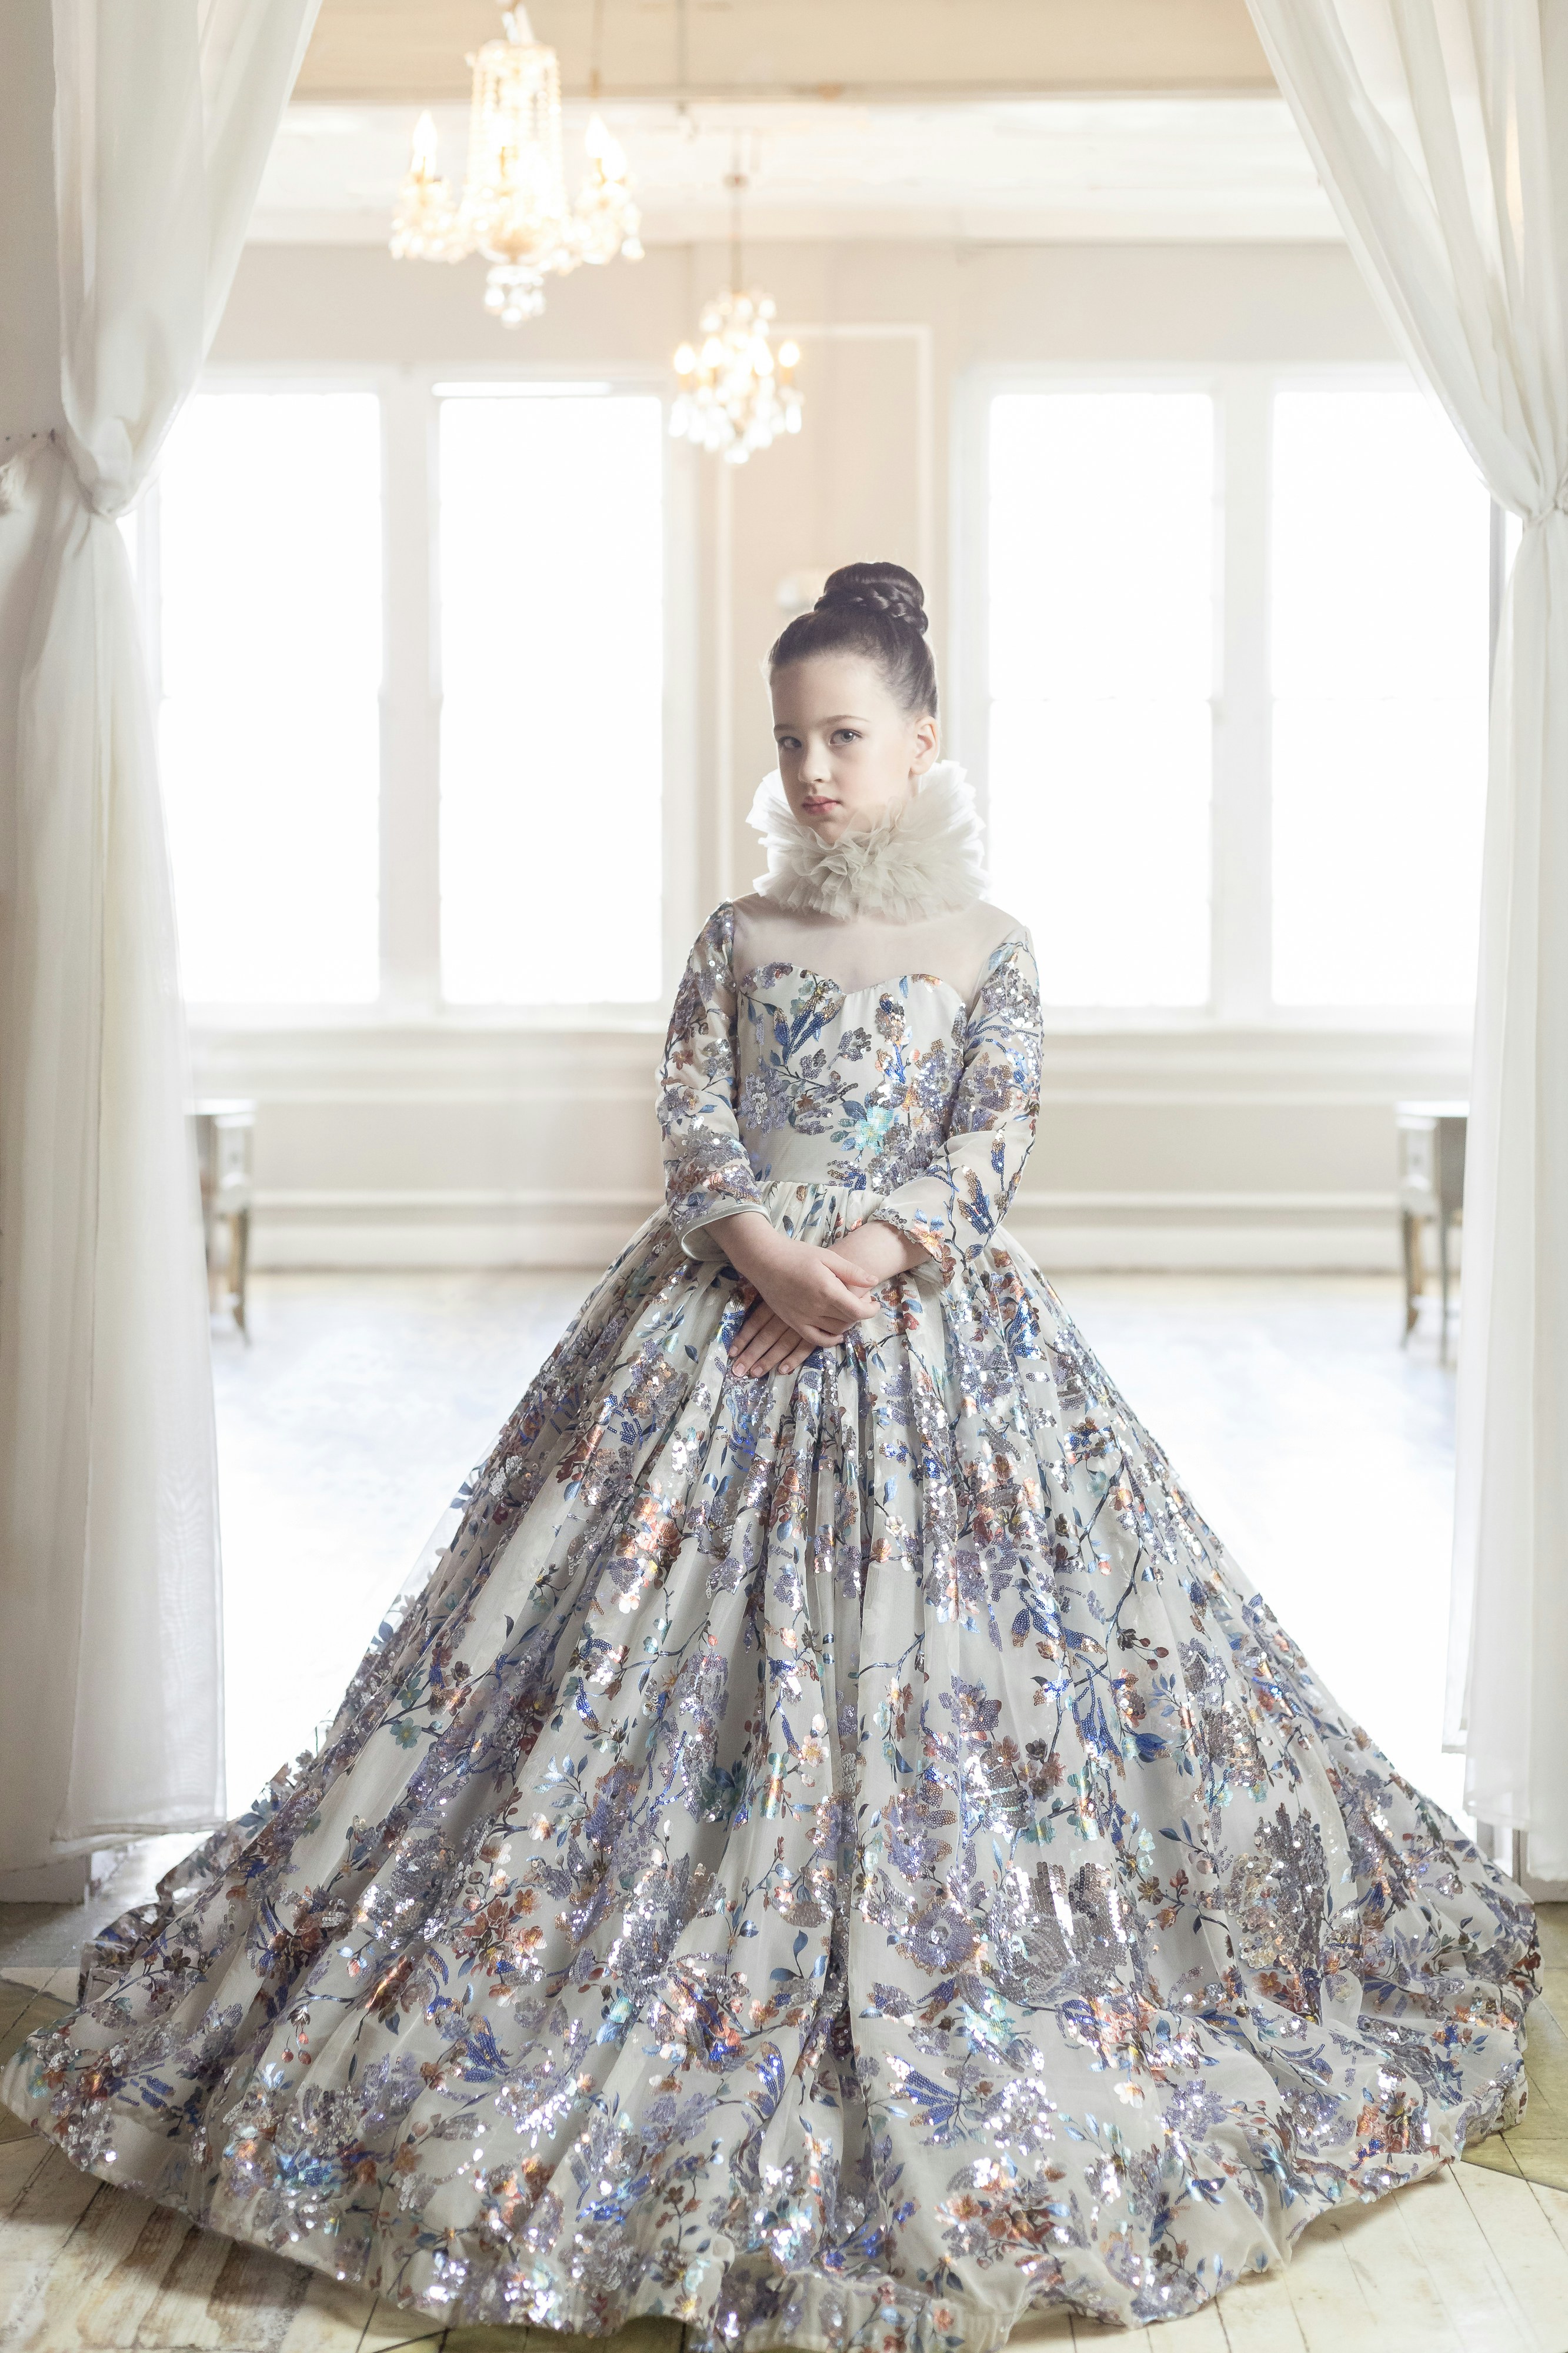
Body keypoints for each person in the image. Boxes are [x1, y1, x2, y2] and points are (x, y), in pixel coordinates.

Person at [1, 562, 1537, 2339]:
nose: (815, 770)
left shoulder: (990, 949)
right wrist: (757, 1251)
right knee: (574, 1669)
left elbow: (992, 1137)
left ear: (922, 741)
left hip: (924, 1331)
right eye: (791, 740)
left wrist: (865, 1261)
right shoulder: (739, 935)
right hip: (715, 1315)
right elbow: (690, 1108)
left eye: (847, 737)